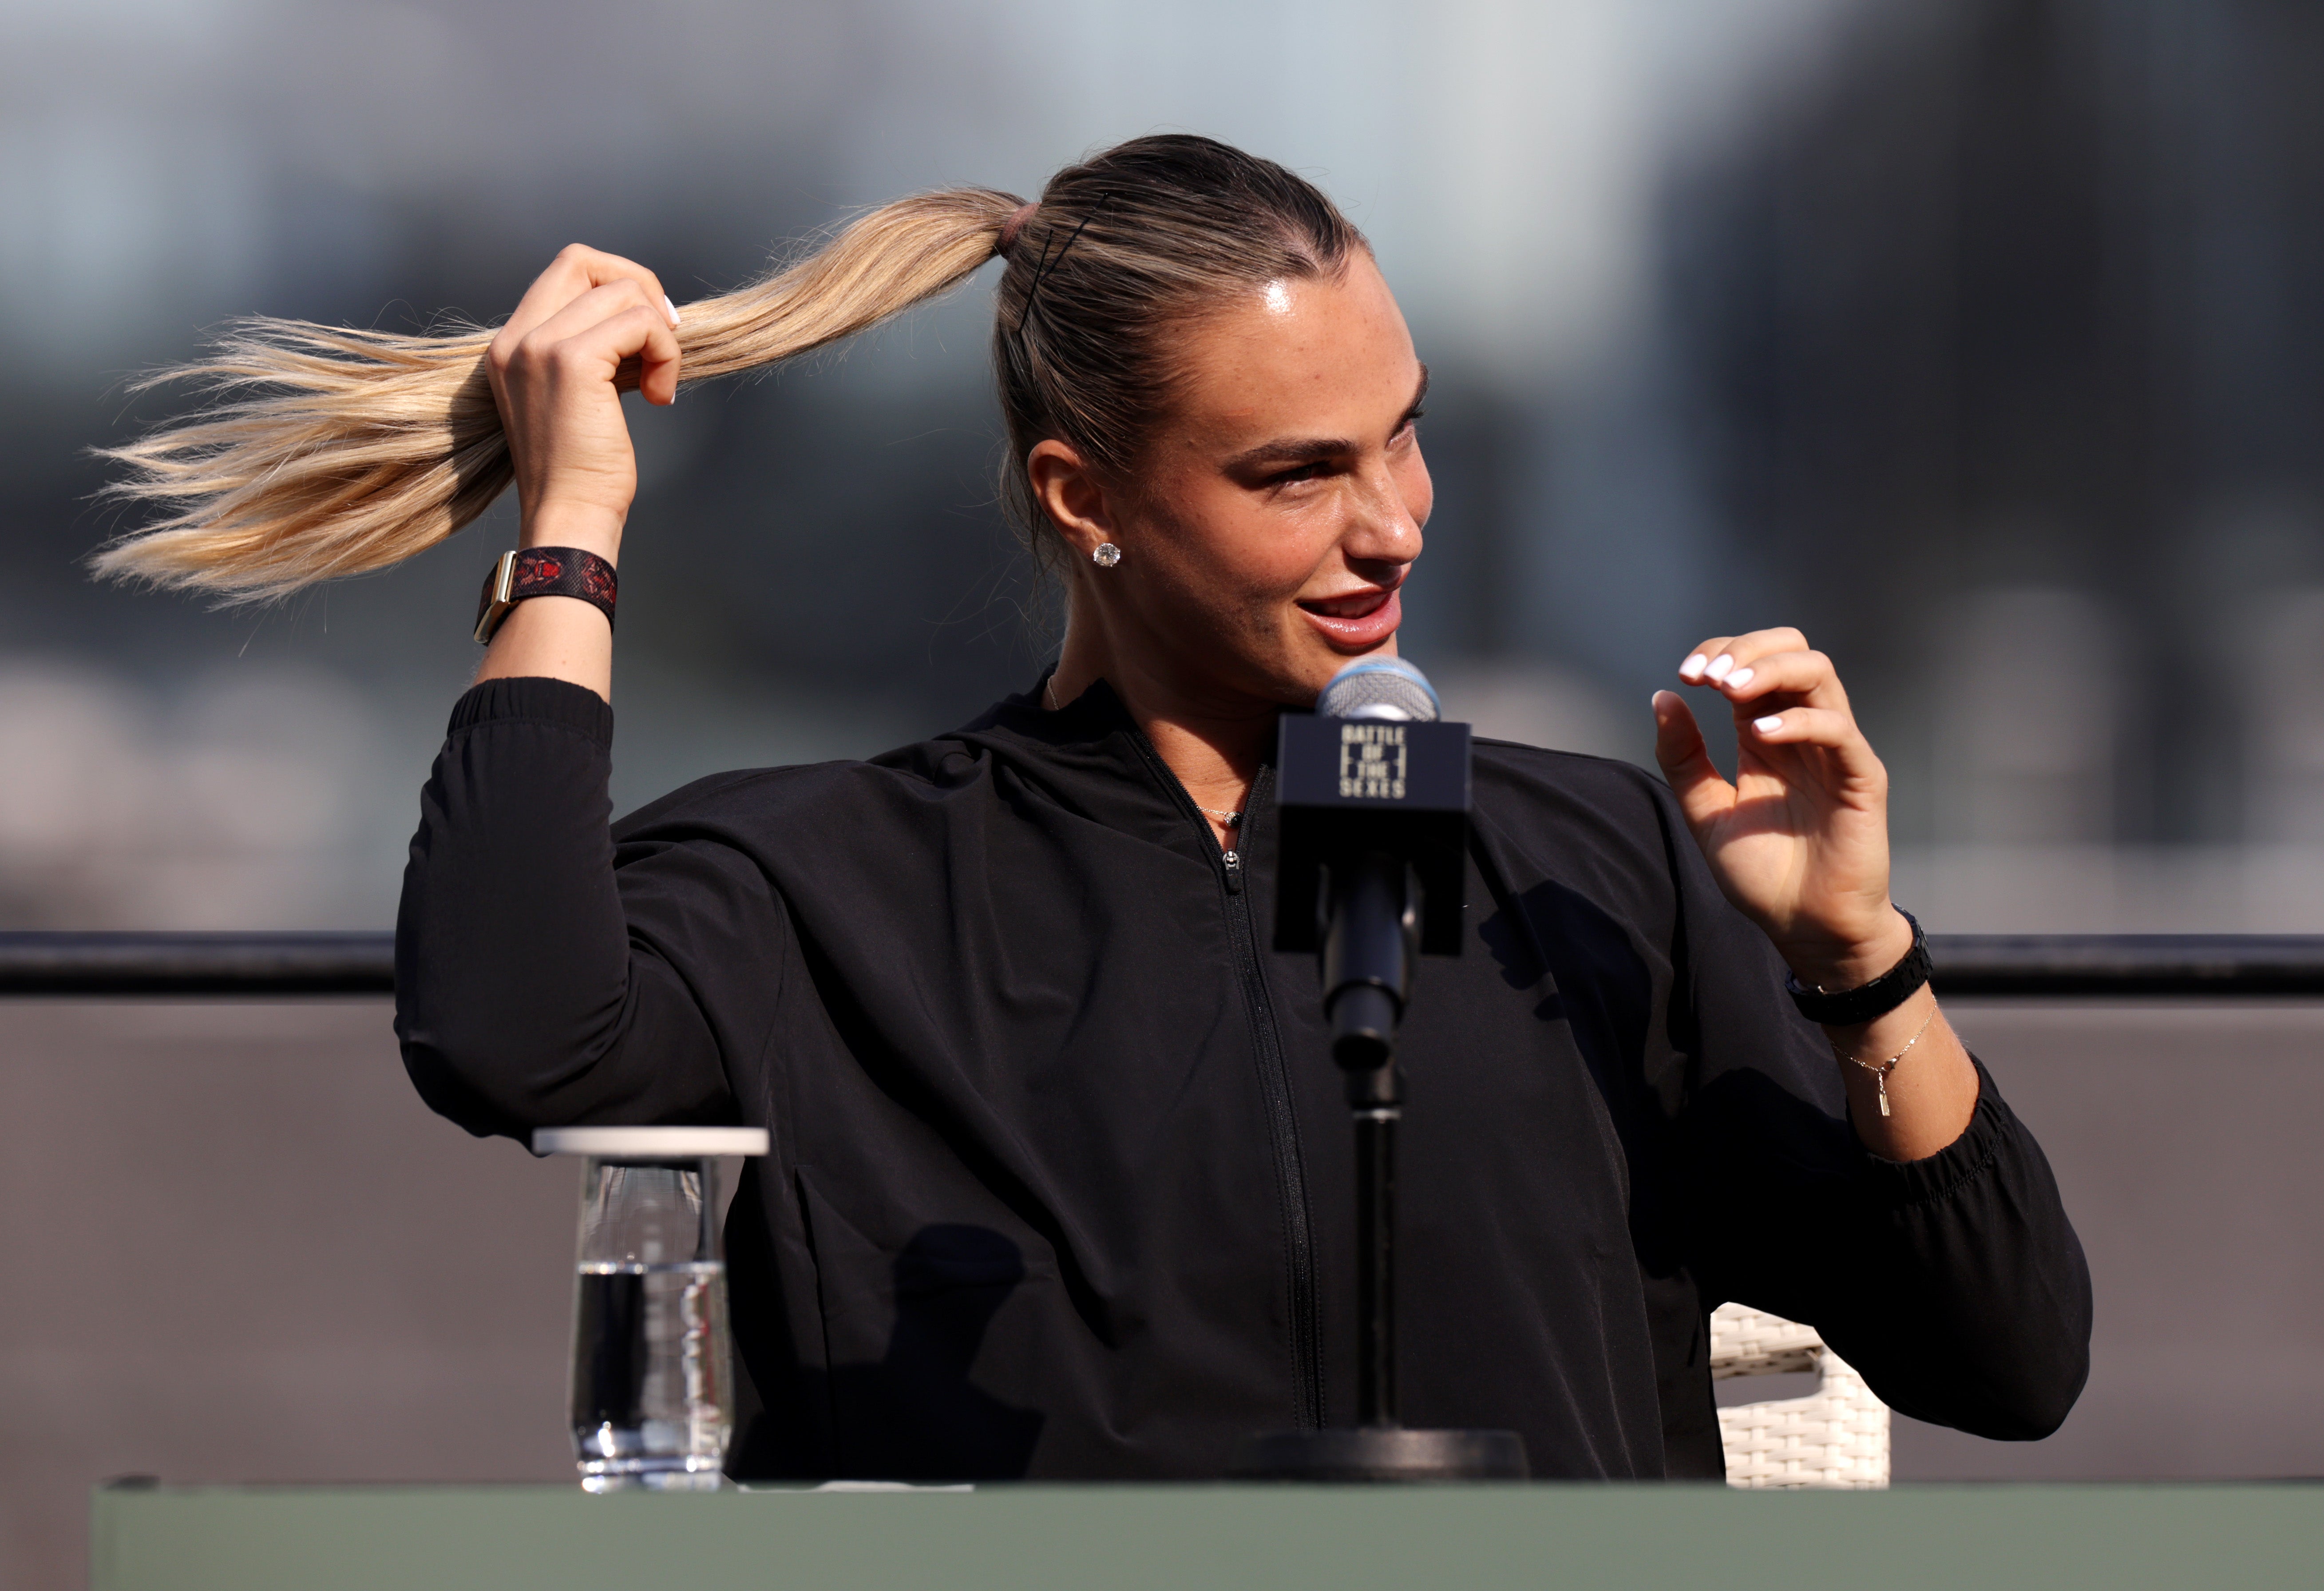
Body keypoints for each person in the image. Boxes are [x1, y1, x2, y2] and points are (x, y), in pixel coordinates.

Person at [105, 135, 2089, 1480]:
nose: (1390, 520)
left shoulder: (1599, 863)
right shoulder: (840, 877)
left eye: (1404, 436)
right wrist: (576, 523)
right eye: (1298, 471)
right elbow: (512, 1024)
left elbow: (2008, 1357)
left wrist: (1857, 959)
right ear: (1087, 500)